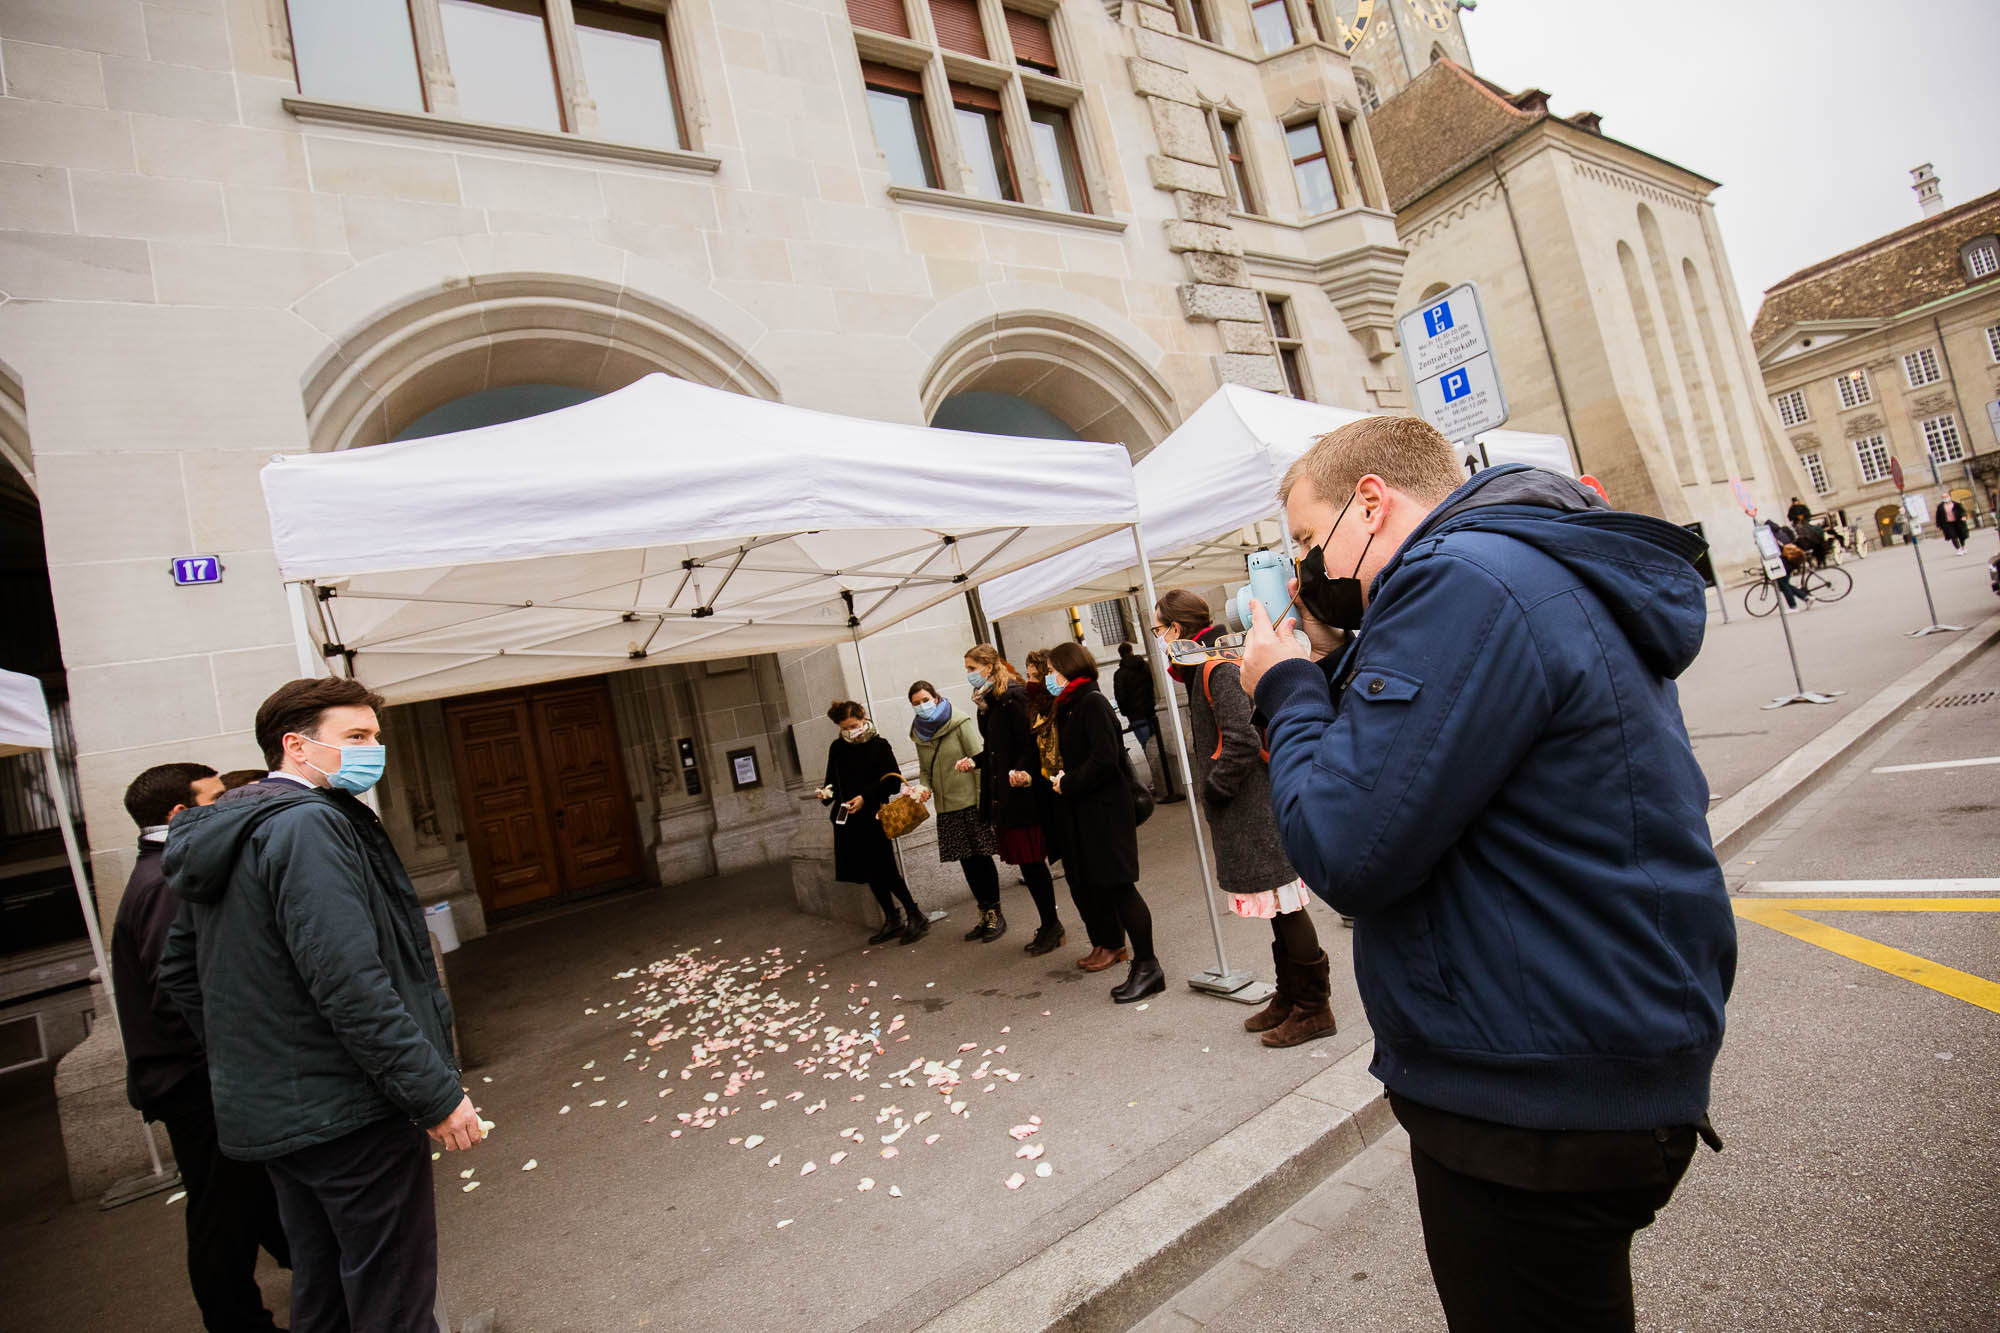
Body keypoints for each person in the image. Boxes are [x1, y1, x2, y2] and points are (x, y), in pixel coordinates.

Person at [1238, 416, 1734, 1332]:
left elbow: (1346, 842)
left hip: (1534, 1095)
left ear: (1372, 501)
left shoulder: (1462, 583)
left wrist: (1284, 686)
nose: (1305, 562)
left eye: (1309, 538)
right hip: (1581, 1044)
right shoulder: (1518, 566)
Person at [158, 677, 483, 1333]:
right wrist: (435, 1094)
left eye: (376, 737)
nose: (373, 751)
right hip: (352, 1112)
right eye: (356, 737)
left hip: (285, 1112)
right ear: (295, 746)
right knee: (390, 1297)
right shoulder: (307, 826)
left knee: (326, 1290)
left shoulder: (241, 825)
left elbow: (180, 973)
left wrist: (261, 1056)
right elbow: (350, 979)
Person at [112, 762, 291, 1333]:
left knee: (253, 1195)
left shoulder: (163, 873)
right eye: (214, 799)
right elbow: (179, 993)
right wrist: (235, 1067)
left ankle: (321, 1272)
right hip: (194, 1083)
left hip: (196, 1076)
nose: (226, 805)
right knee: (222, 1216)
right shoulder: (166, 881)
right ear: (179, 815)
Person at [1152, 591, 1336, 1048]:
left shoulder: (1215, 665)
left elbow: (1239, 736)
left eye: (1159, 629)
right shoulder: (1208, 662)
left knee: (1286, 905)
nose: (1157, 638)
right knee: (1277, 908)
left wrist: (1216, 787)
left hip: (1255, 808)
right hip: (1253, 808)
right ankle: (1292, 995)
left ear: (1176, 629)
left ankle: (1315, 1008)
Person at [1045, 641, 1164, 1002]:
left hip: (1108, 812)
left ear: (1067, 668)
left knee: (1122, 887)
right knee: (1114, 888)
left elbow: (1104, 759)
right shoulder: (1073, 704)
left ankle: (1148, 965)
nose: (1050, 677)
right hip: (1092, 812)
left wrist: (1068, 781)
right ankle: (1141, 965)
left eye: (1052, 670)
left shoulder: (1091, 702)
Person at [963, 646, 1067, 955]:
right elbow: (997, 747)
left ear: (989, 665)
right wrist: (976, 760)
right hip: (1006, 793)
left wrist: (1022, 771)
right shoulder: (993, 701)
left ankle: (1052, 924)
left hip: (1021, 794)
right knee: (1028, 865)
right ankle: (1049, 923)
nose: (968, 672)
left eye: (972, 666)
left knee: (1033, 864)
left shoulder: (1013, 696)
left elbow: (1029, 742)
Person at [819, 699, 928, 946]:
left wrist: (865, 797)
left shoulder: (879, 745)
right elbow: (832, 781)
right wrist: (826, 793)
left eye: (854, 725)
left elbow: (891, 782)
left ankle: (915, 914)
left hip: (874, 816)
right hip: (848, 819)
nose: (851, 731)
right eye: (845, 728)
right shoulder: (837, 747)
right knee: (868, 871)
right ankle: (892, 917)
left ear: (863, 717)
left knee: (886, 868)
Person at [907, 680, 1006, 943]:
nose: (921, 706)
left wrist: (981, 800)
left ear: (936, 698)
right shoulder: (918, 733)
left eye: (925, 700)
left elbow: (979, 759)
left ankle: (996, 914)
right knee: (967, 863)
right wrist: (923, 788)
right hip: (946, 807)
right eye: (916, 703)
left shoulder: (959, 722)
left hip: (971, 802)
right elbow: (925, 770)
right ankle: (984, 914)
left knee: (982, 859)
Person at [1111, 641, 1181, 802]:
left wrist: (1126, 712)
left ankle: (1158, 781)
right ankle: (1164, 779)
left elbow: (1121, 697)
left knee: (1147, 747)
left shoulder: (1120, 674)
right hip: (1150, 711)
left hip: (1136, 716)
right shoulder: (1145, 666)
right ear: (1131, 650)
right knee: (1157, 746)